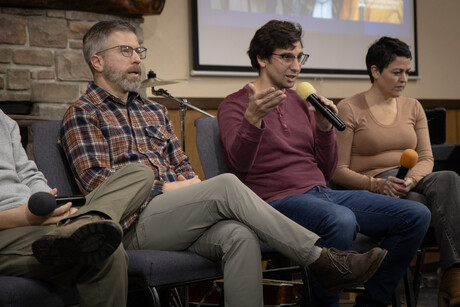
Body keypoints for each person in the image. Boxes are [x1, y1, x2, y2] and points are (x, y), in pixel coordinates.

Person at [58, 20, 387, 307]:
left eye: (138, 51)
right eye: (125, 51)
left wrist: (185, 187)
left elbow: (185, 169)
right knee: (227, 184)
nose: (136, 58)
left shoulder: (153, 111)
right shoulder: (83, 113)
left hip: (178, 215)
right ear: (97, 61)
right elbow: (100, 186)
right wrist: (170, 188)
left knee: (239, 236)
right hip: (132, 224)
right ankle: (321, 260)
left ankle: (323, 263)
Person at [217, 20, 431, 307]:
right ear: (262, 59)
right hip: (272, 201)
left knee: (416, 215)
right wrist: (252, 120)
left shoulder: (302, 102)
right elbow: (238, 167)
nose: (296, 66)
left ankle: (372, 303)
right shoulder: (234, 105)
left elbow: (328, 170)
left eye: (300, 57)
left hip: (320, 193)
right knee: (339, 219)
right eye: (287, 57)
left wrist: (323, 128)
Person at [332, 36, 460, 307]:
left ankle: (454, 274)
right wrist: (378, 185)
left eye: (407, 72)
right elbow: (338, 171)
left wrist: (411, 178)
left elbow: (426, 157)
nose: (404, 78)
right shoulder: (349, 108)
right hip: (372, 185)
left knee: (449, 178)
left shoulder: (412, 106)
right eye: (397, 72)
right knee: (417, 205)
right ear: (375, 72)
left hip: (412, 180)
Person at [0, 109, 155, 306]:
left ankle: (86, 219)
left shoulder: (3, 119)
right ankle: (80, 224)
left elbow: (29, 174)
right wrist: (25, 217)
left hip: (38, 215)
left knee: (139, 173)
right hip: (10, 226)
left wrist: (53, 204)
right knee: (100, 248)